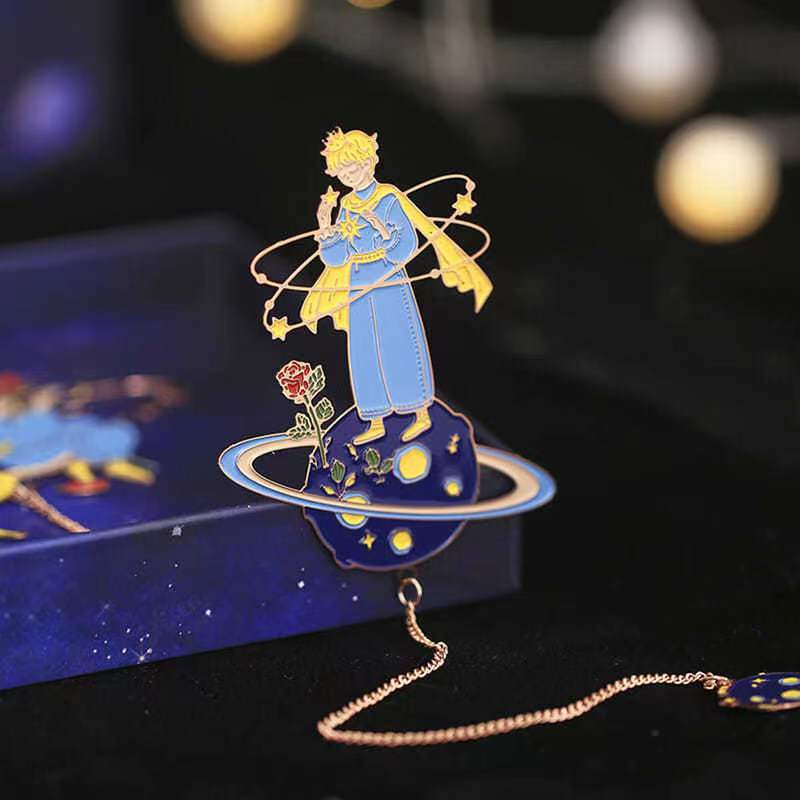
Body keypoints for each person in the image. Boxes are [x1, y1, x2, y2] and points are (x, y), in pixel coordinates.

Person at [301, 128, 491, 445]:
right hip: (359, 284)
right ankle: (375, 419)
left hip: (388, 280)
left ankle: (420, 414)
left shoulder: (388, 198)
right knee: (364, 349)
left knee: (399, 342)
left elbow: (407, 245)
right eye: (342, 171)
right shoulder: (346, 204)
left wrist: (383, 232)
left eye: (352, 168)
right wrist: (325, 225)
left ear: (369, 162)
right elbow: (336, 258)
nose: (348, 176)